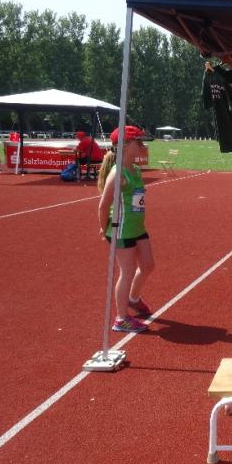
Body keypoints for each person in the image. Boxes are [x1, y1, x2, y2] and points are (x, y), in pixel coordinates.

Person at [97, 125, 156, 334]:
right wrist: (104, 229)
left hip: (138, 227)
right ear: (124, 145)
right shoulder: (117, 174)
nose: (142, 145)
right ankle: (121, 319)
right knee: (127, 272)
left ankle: (133, 298)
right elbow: (103, 205)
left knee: (148, 265)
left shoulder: (135, 170)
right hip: (122, 231)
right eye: (138, 142)